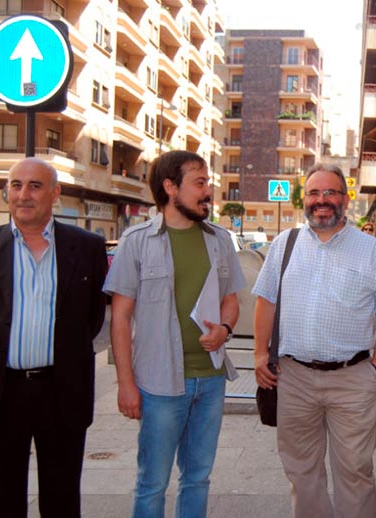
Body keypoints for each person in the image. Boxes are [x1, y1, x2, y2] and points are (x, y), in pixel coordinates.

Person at [252, 163, 376, 518]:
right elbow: (265, 300)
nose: (322, 200)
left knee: (355, 471)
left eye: (330, 193)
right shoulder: (283, 244)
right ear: (304, 200)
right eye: (314, 193)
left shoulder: (370, 250)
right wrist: (260, 355)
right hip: (293, 378)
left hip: (352, 380)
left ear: (345, 198)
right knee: (301, 470)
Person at [0, 157, 107, 518]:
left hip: (62, 390)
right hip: (0, 392)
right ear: (7, 191)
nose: (24, 194)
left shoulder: (86, 247)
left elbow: (92, 318)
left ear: (54, 194)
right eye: (16, 185)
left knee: (62, 497)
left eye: (35, 186)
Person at [104, 151, 245, 518]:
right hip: (159, 384)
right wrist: (125, 384)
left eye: (207, 183)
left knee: (198, 478)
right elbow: (120, 319)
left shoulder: (219, 240)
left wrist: (224, 329)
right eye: (199, 183)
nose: (208, 191)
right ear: (170, 187)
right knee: (152, 483)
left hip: (211, 381)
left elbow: (231, 302)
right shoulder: (136, 241)